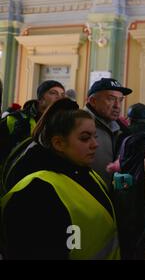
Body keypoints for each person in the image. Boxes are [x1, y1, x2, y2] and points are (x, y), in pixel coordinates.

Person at [0, 98, 120, 259]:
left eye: (94, 136)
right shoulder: (37, 192)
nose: (95, 144)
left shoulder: (86, 172)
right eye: (85, 138)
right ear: (58, 143)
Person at [0, 80, 65, 165]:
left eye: (62, 95)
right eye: (53, 93)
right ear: (41, 99)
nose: (59, 97)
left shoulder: (63, 123)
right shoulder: (15, 119)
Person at [85, 78, 132, 187]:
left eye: (120, 100)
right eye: (111, 99)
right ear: (93, 101)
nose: (117, 105)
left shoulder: (122, 128)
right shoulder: (77, 126)